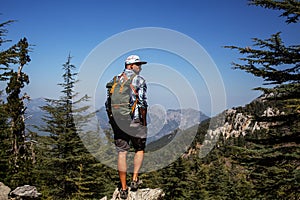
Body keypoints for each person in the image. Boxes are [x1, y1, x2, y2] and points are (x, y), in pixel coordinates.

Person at [105, 55, 148, 199]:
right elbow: (142, 103)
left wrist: (112, 120)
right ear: (130, 65)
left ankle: (123, 189)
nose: (140, 67)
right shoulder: (139, 80)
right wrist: (144, 121)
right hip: (134, 121)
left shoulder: (115, 80)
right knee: (139, 148)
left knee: (122, 153)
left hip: (117, 121)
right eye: (138, 64)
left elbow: (107, 103)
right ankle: (134, 179)